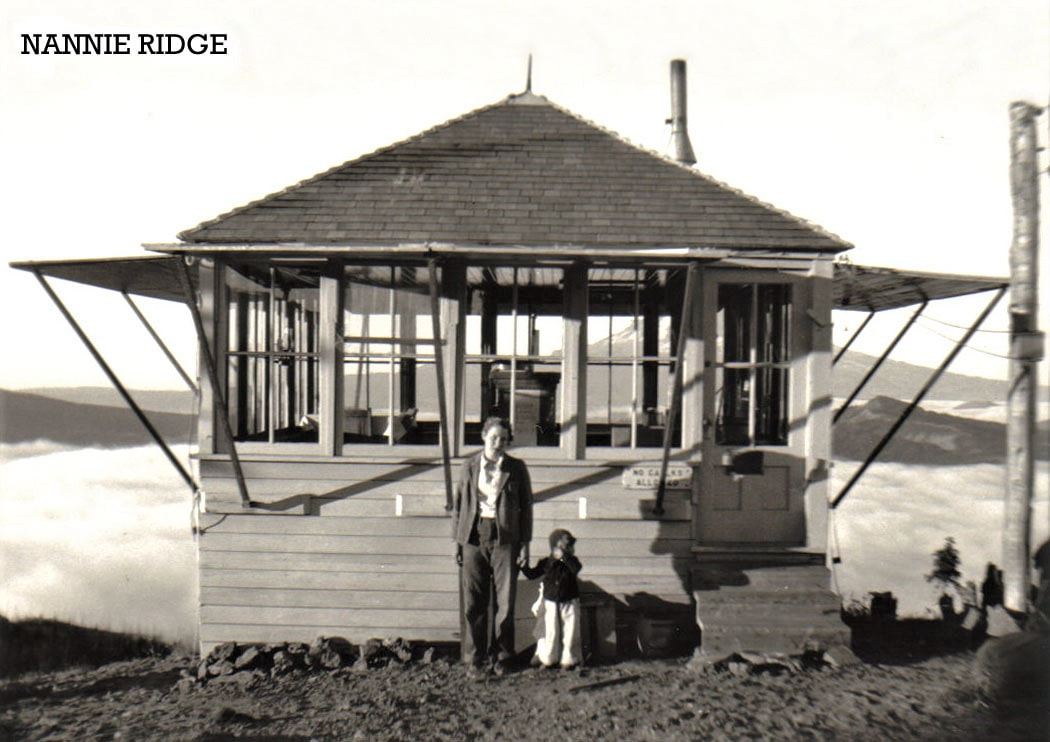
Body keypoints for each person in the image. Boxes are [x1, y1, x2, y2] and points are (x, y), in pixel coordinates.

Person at [451, 416, 533, 676]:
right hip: (473, 538)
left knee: (505, 603)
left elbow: (527, 508)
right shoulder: (470, 466)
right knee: (474, 601)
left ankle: (502, 657)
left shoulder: (516, 468)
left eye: (504, 439)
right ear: (484, 437)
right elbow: (459, 505)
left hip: (505, 538)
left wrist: (525, 544)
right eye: (494, 437)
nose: (499, 443)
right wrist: (458, 540)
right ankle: (474, 659)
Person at [522, 528, 583, 669]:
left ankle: (569, 660)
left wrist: (564, 557)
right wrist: (523, 567)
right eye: (566, 546)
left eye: (570, 547)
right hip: (551, 601)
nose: (570, 549)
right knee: (551, 631)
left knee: (570, 630)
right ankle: (549, 659)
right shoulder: (546, 562)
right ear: (555, 546)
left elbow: (576, 569)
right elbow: (532, 575)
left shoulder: (571, 561)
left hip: (569, 600)